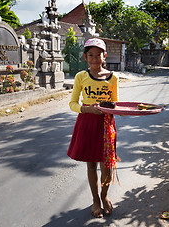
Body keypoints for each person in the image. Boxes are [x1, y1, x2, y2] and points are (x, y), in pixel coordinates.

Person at [67, 38, 119, 218]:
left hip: (106, 124)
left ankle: (105, 196)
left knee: (107, 165)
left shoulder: (113, 78)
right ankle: (95, 200)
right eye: (91, 55)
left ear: (104, 56)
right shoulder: (80, 77)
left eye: (99, 55)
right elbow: (72, 103)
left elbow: (115, 103)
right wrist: (87, 108)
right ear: (85, 57)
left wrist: (109, 107)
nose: (95, 59)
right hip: (87, 123)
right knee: (91, 165)